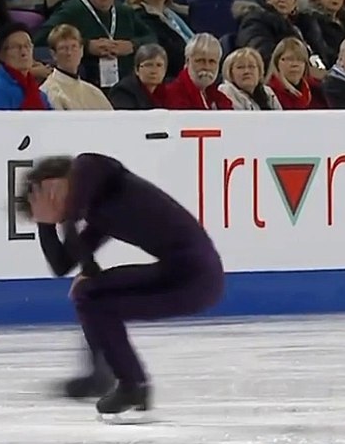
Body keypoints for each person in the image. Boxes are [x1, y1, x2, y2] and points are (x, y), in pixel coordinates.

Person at [18, 153, 226, 416]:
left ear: (53, 183)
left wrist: (89, 270)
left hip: (196, 276)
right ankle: (110, 378)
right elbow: (62, 264)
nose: (54, 207)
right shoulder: (97, 212)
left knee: (93, 295)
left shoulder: (91, 166)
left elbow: (72, 214)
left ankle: (130, 384)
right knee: (89, 296)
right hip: (181, 273)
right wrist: (45, 225)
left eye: (47, 195)